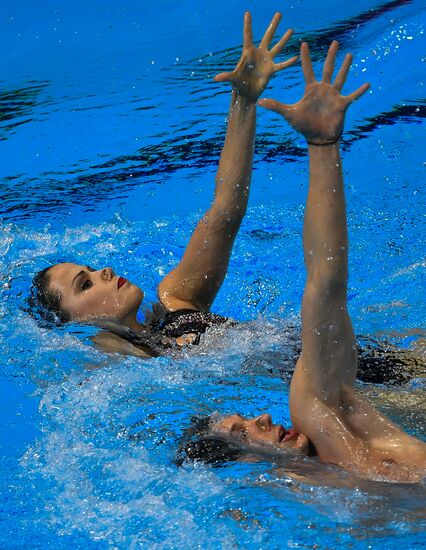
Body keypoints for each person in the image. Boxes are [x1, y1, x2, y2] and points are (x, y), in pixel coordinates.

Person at [186, 41, 426, 482]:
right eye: (242, 431)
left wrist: (322, 145)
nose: (260, 418)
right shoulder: (312, 495)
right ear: (242, 469)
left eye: (242, 419)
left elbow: (325, 281)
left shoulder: (325, 420)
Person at [30, 12, 298, 357]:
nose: (105, 271)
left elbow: (226, 210)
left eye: (92, 270)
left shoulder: (178, 297)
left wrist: (243, 101)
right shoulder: (124, 374)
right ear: (75, 325)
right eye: (86, 284)